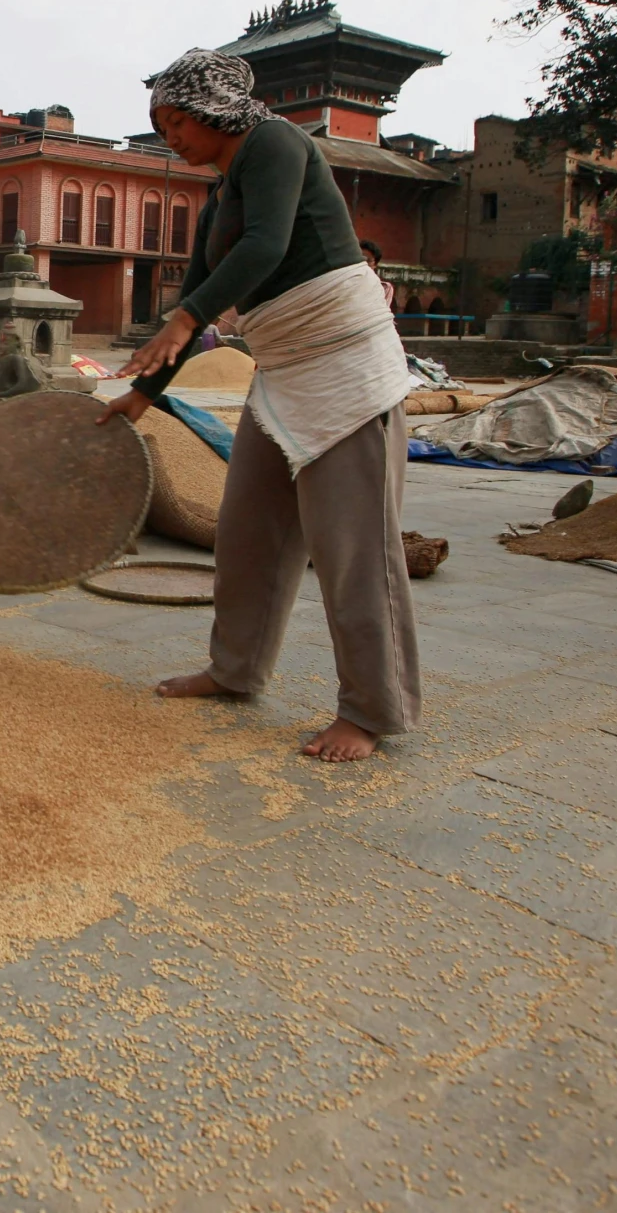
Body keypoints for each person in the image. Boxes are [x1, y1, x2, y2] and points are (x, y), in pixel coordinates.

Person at [97, 49, 419, 762]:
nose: (169, 135)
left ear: (213, 108)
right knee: (247, 533)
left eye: (176, 119)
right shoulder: (219, 195)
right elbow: (196, 298)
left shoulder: (277, 142)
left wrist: (188, 318)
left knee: (353, 549)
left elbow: (269, 246)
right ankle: (234, 669)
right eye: (160, 123)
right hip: (282, 372)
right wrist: (142, 396)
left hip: (345, 368)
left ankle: (370, 709)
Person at [360, 239, 397, 311]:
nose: (363, 263)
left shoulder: (384, 288)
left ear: (375, 264)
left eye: (368, 261)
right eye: (361, 259)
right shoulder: (345, 283)